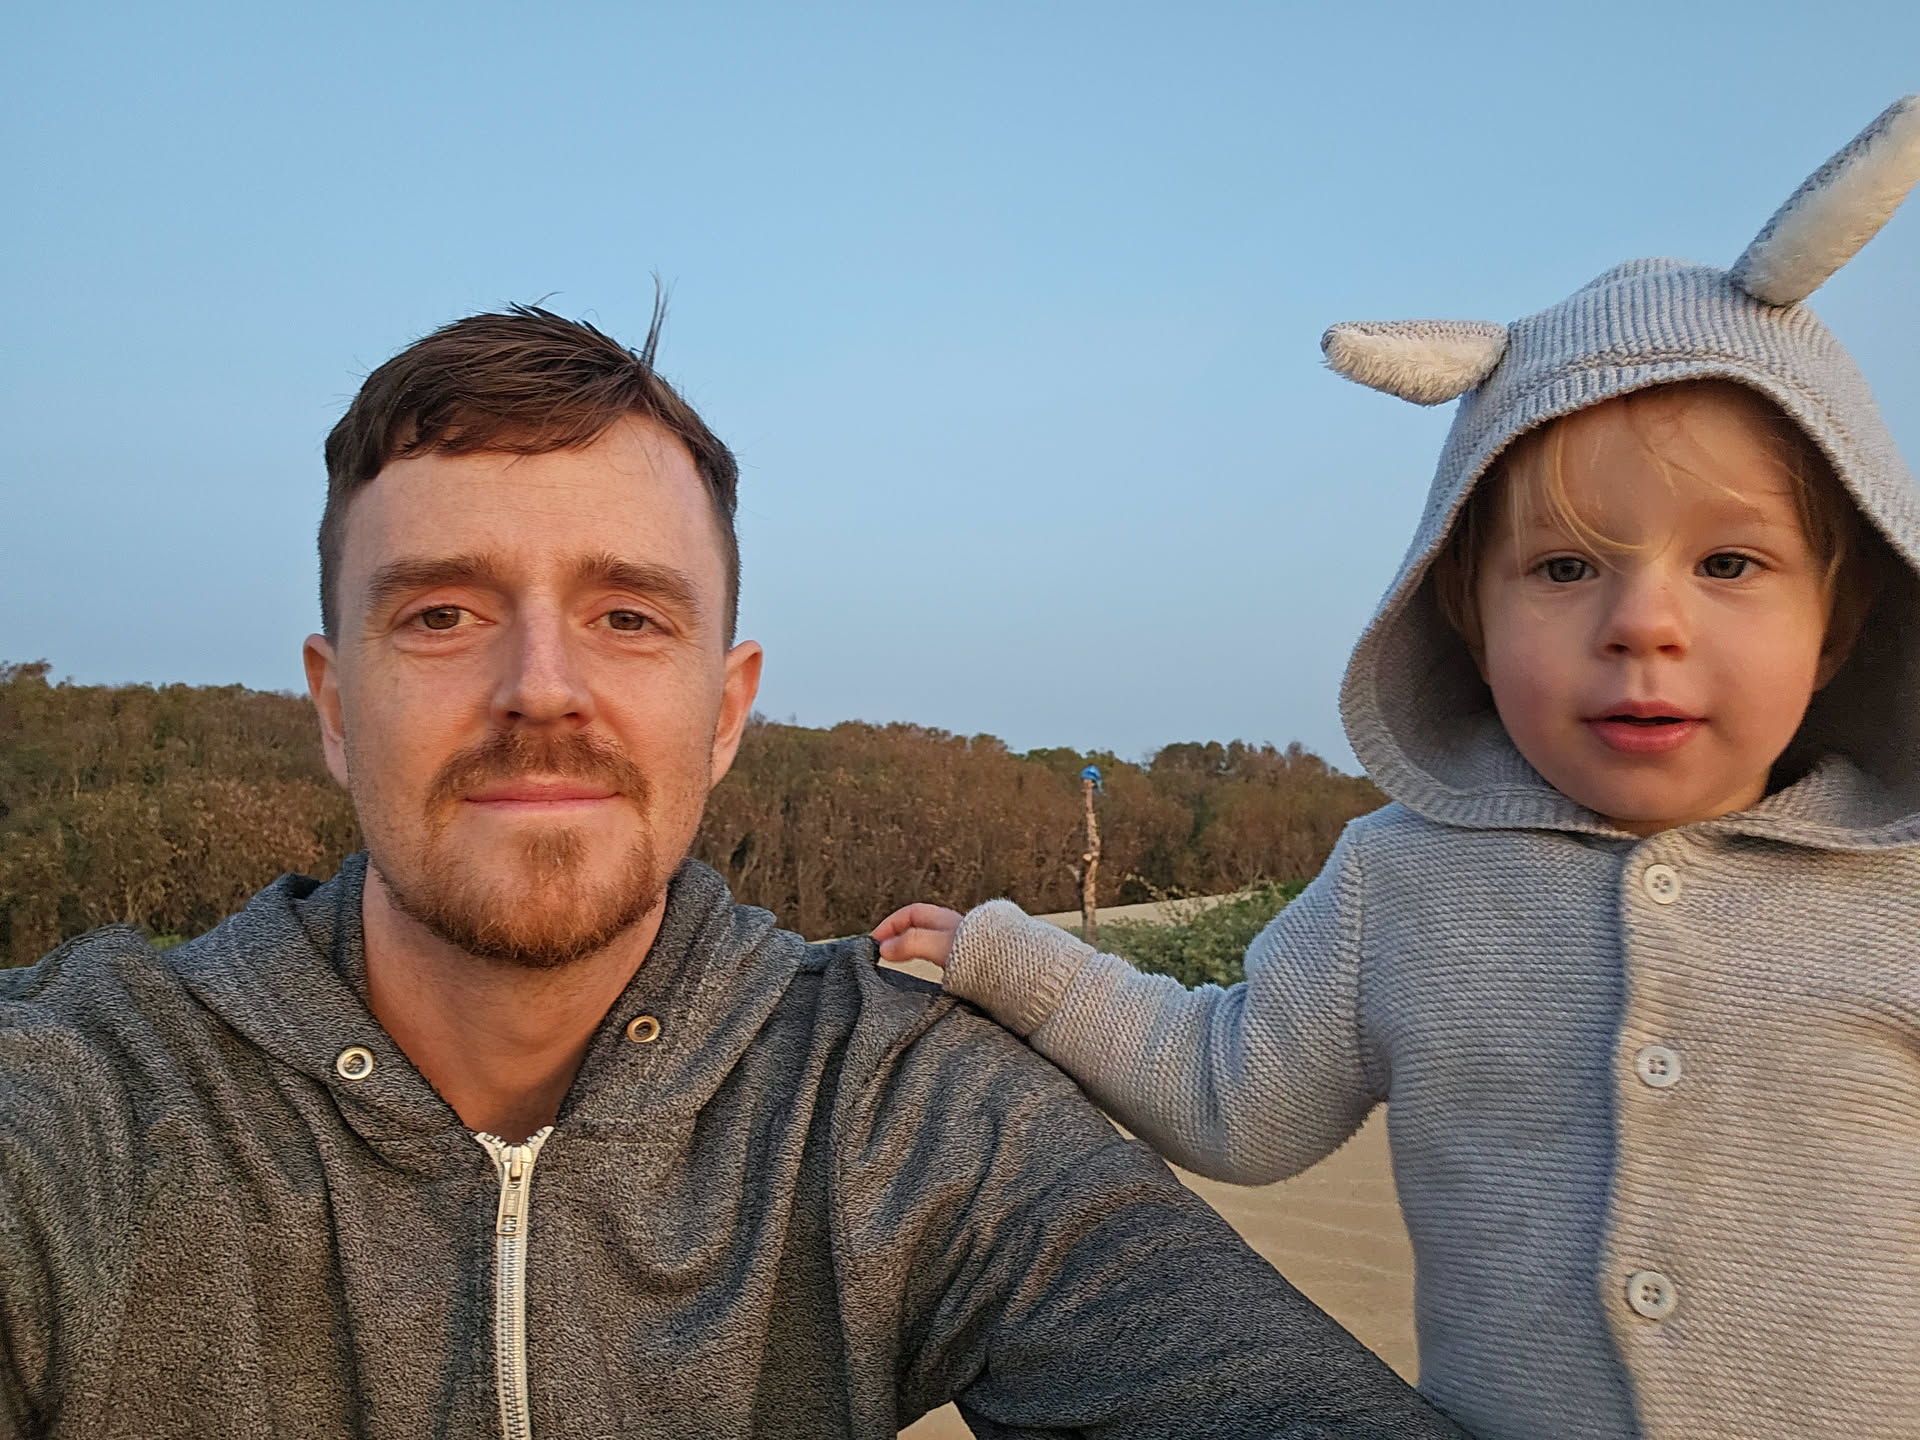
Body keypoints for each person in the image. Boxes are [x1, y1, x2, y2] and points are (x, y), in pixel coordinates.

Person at [0, 306, 1470, 1440]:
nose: (540, 688)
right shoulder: (92, 1101)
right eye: (442, 613)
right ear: (333, 706)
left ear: (725, 708)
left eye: (629, 617)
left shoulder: (885, 1105)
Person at [876, 97, 1920, 1440]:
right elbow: (1233, 1092)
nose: (1643, 623)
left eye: (1729, 562)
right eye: (1564, 567)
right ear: (1464, 619)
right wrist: (1017, 962)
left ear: (1838, 624)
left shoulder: (1898, 886)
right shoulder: (1403, 883)